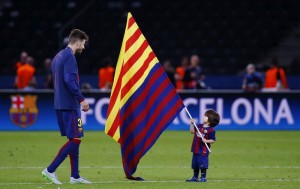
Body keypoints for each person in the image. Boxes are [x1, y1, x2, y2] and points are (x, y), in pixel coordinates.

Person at [42, 29, 91, 185]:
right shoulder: (69, 56)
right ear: (78, 41)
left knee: (74, 138)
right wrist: (81, 99)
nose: (84, 46)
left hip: (59, 103)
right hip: (70, 105)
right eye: (83, 43)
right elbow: (69, 80)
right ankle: (50, 170)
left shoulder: (58, 56)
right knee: (76, 139)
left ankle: (75, 176)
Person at [186, 109, 220, 182]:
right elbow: (192, 131)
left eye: (205, 116)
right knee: (195, 164)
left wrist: (206, 141)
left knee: (202, 164)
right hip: (196, 149)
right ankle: (195, 177)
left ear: (210, 119)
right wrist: (191, 124)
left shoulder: (211, 130)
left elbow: (213, 140)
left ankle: (203, 177)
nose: (203, 117)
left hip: (203, 150)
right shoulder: (199, 126)